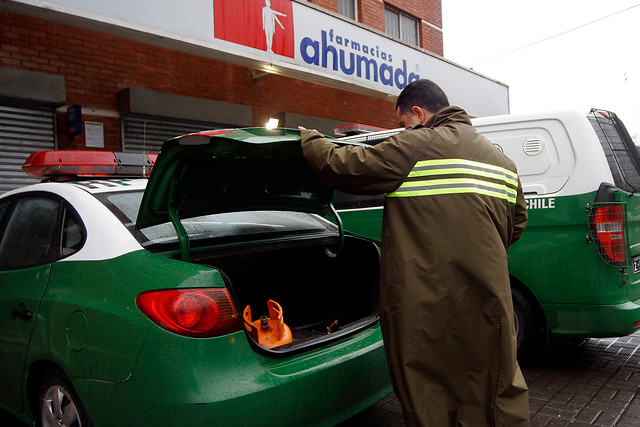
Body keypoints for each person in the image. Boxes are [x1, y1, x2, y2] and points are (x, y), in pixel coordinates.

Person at [298, 79, 530, 426]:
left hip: (427, 300)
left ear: (419, 114)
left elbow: (345, 166)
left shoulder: (418, 144)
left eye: (403, 123)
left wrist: (310, 138)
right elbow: (517, 224)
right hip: (488, 296)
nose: (402, 130)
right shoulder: (503, 162)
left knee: (429, 388)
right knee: (490, 384)